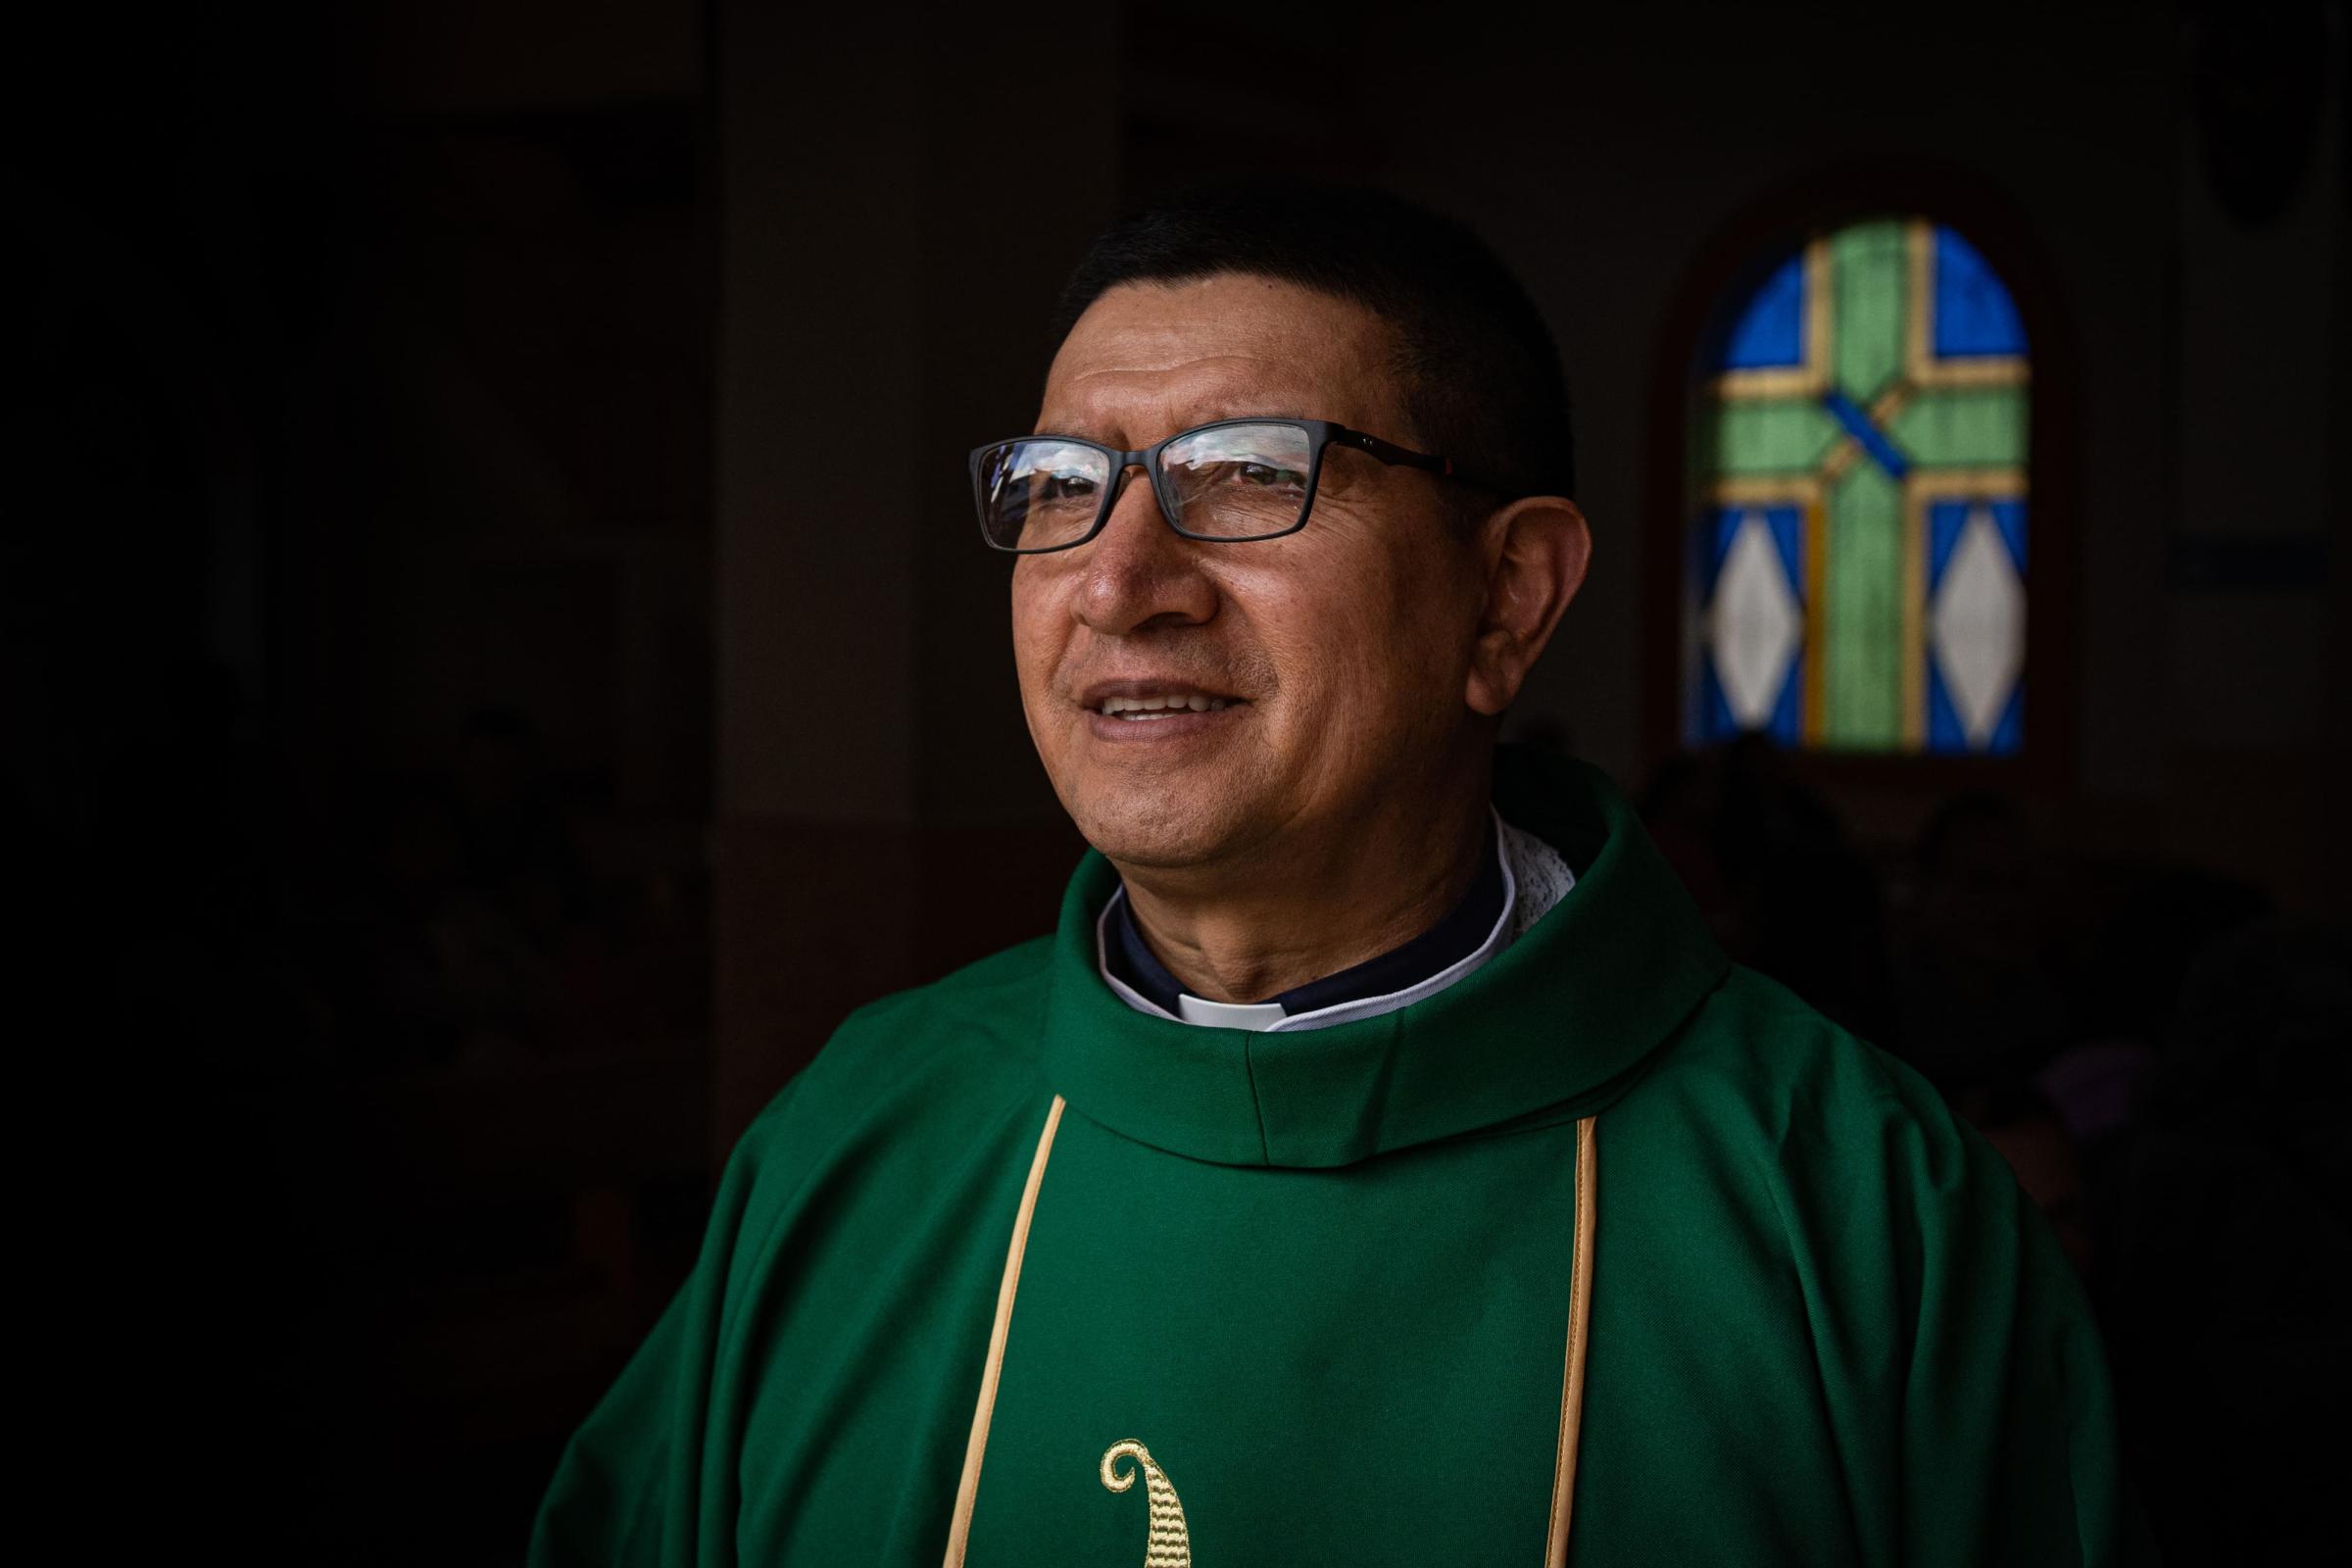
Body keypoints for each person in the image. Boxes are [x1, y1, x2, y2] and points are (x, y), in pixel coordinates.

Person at [531, 183, 2145, 1566]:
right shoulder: (858, 1145)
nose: (1118, 583)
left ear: (1507, 599)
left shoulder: (1854, 1212)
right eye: (1058, 487)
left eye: (1246, 472)